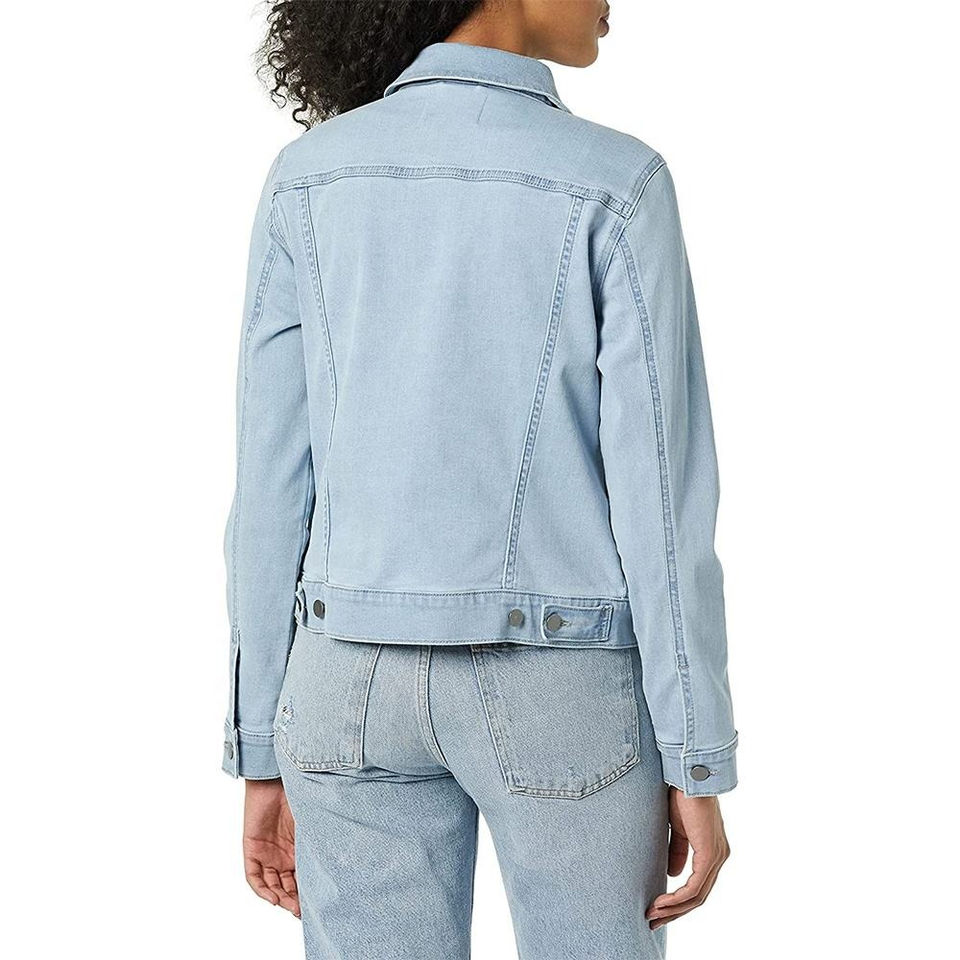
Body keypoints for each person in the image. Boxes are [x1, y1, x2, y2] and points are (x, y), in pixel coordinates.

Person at [222, 2, 737, 957]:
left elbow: (269, 487)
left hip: (343, 683)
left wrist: (259, 745)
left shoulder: (309, 177)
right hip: (563, 681)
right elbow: (662, 499)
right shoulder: (615, 181)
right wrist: (695, 755)